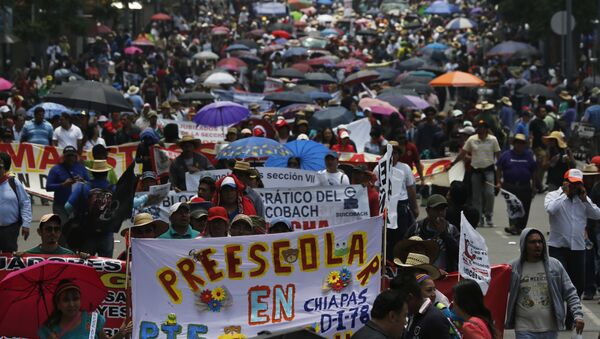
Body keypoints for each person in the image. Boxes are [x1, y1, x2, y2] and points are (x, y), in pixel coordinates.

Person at [505, 228, 585, 338]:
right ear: (524, 245)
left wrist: (578, 315)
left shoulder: (555, 266)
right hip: (524, 329)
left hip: (550, 329)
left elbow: (570, 292)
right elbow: (497, 291)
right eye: (532, 242)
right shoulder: (513, 269)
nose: (537, 245)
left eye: (540, 241)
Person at [544, 168, 600, 324]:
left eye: (578, 184)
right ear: (565, 183)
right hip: (558, 247)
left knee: (578, 285)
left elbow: (596, 214)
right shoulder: (553, 196)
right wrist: (564, 194)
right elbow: (550, 209)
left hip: (578, 248)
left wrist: (585, 199)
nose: (575, 187)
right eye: (572, 184)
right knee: (558, 282)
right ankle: (556, 314)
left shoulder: (582, 200)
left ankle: (570, 317)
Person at [38, 280, 132, 339]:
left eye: (75, 299)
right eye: (66, 300)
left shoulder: (93, 320)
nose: (71, 304)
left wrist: (121, 333)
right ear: (58, 304)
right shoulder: (48, 329)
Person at [450, 120, 501, 227]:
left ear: (486, 129)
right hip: (476, 171)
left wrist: (500, 174)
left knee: (489, 194)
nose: (480, 129)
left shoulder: (493, 140)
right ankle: (479, 217)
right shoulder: (471, 139)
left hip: (488, 171)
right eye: (479, 127)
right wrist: (453, 163)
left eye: (482, 127)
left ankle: (489, 215)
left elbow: (498, 157)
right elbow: (462, 153)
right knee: (476, 197)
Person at [64, 160, 115, 257]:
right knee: (106, 266)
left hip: (87, 233)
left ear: (92, 173)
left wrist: (77, 214)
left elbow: (67, 207)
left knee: (86, 265)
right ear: (107, 173)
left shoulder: (83, 187)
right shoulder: (113, 188)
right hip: (106, 234)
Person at [390, 262, 451, 339]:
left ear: (409, 297)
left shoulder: (434, 318)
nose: (433, 294)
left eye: (400, 299)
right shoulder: (412, 314)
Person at [405, 194, 460, 273]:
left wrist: (444, 234)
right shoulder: (417, 228)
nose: (440, 213)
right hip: (422, 277)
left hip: (445, 275)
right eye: (436, 209)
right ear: (427, 211)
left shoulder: (451, 230)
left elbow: (458, 254)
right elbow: (403, 250)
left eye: (443, 209)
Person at [496, 134, 537, 235]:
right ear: (514, 144)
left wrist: (534, 186)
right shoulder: (506, 155)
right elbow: (499, 168)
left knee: (525, 207)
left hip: (525, 186)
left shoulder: (529, 155)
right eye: (517, 143)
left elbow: (534, 171)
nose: (519, 145)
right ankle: (513, 226)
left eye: (522, 143)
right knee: (512, 205)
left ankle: (520, 227)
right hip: (510, 185)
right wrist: (498, 181)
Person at [46, 146, 90, 227]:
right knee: (63, 228)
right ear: (63, 157)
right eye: (68, 156)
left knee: (77, 229)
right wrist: (62, 185)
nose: (71, 158)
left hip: (77, 206)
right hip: (60, 206)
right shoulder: (55, 169)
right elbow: (48, 187)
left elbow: (90, 184)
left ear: (76, 156)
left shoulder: (81, 168)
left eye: (72, 155)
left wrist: (82, 181)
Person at [0, 153, 32, 252]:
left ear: (5, 169)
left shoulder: (14, 183)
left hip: (10, 229)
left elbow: (25, 203)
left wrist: (26, 224)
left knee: (9, 258)